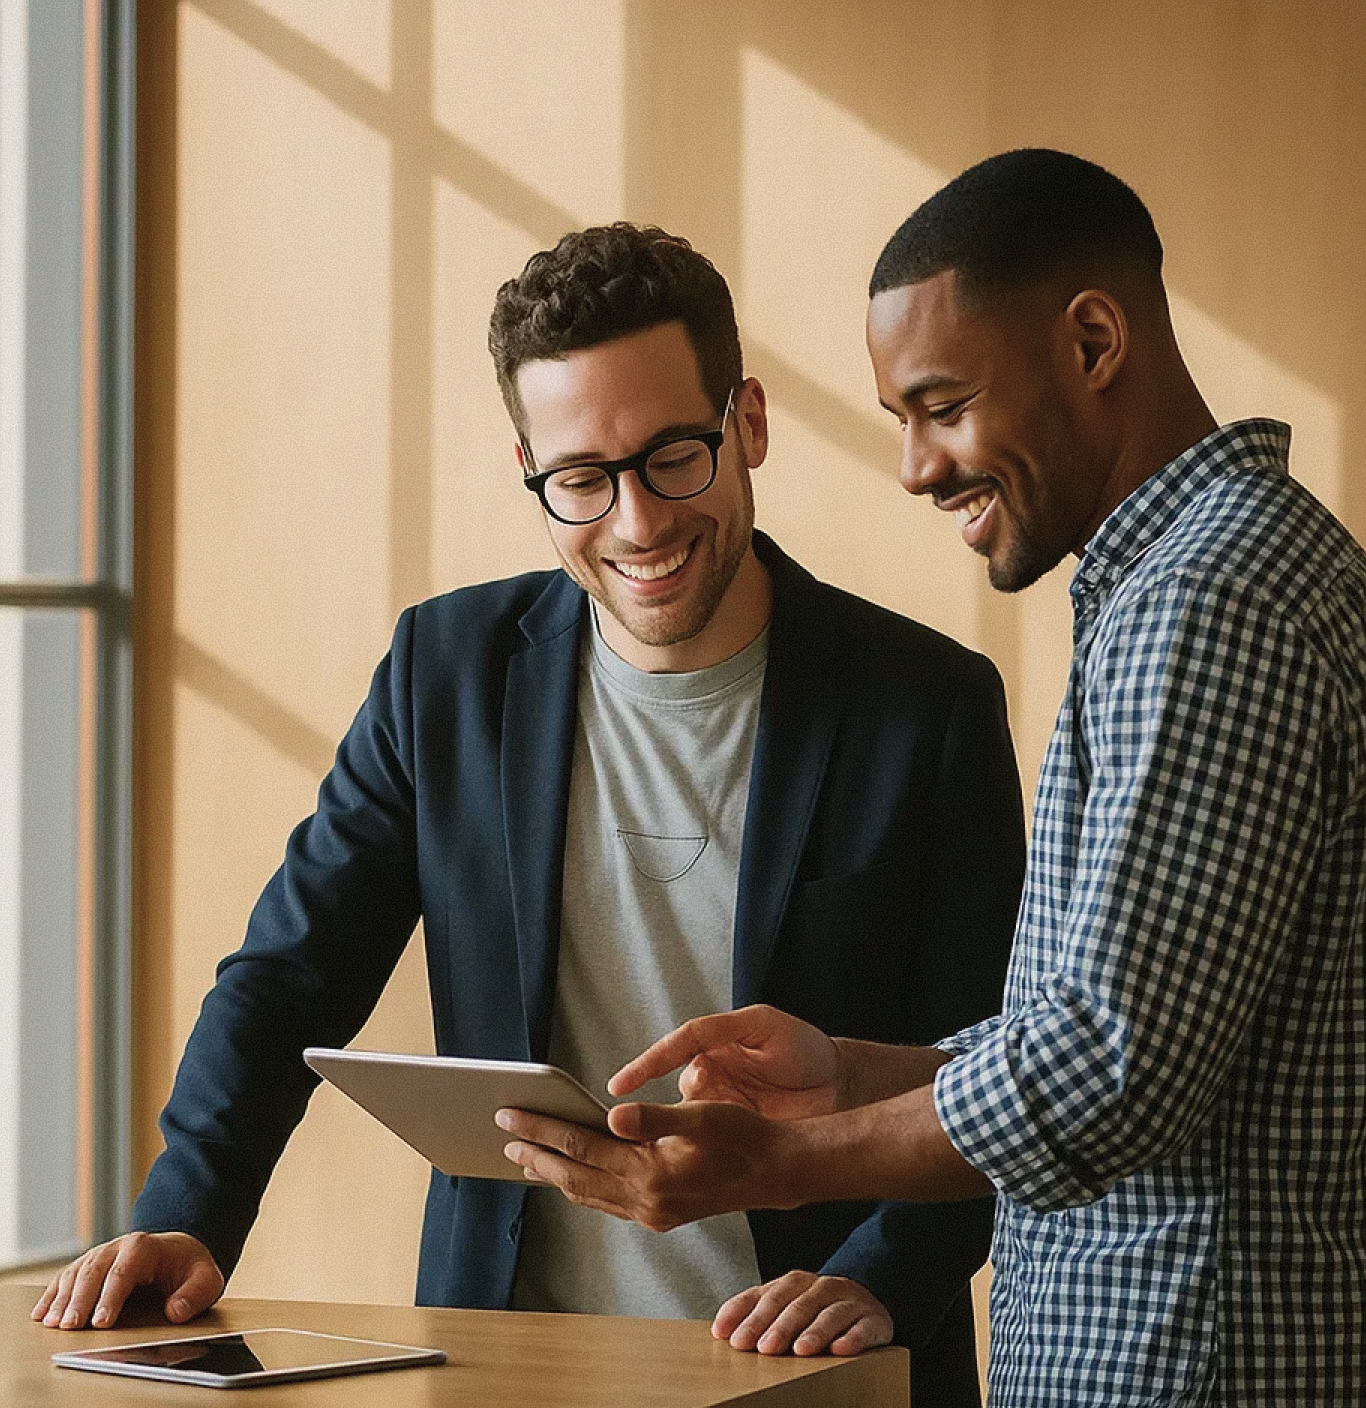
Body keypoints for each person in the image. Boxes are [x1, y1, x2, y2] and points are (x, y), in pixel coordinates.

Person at [35, 224, 1026, 1407]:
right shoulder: (442, 672)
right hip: (510, 1363)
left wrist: (877, 1275)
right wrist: (185, 1215)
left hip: (813, 1365)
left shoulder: (929, 707)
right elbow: (288, 973)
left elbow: (997, 1068)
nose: (638, 523)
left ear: (747, 420)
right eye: (581, 479)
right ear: (529, 468)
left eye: (674, 456)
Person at [497, 154, 1366, 1406]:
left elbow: (1105, 1077)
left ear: (1093, 340)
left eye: (941, 403)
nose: (915, 466)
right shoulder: (1194, 583)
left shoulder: (1207, 602)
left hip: (1190, 1369)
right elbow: (1113, 1024)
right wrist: (848, 1073)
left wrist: (779, 1162)